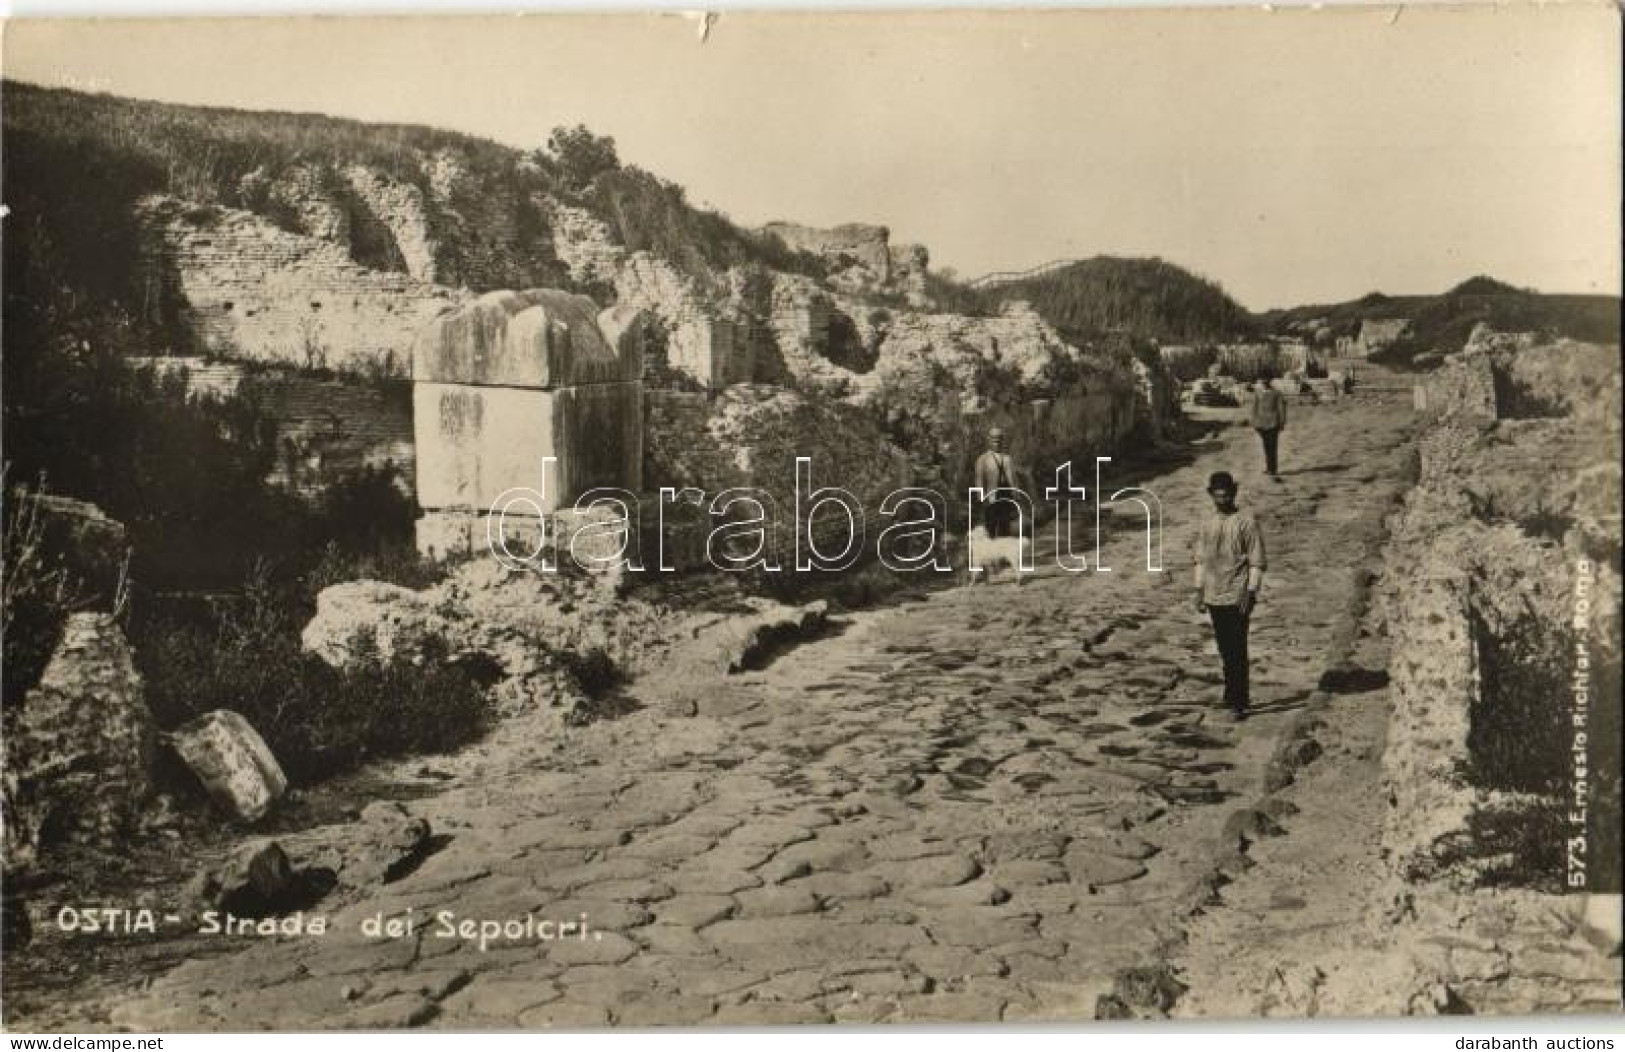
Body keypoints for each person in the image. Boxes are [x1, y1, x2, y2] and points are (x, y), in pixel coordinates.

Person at [1192, 471, 1267, 720]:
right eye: (1217, 495)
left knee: (1238, 647)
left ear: (1233, 493)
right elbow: (1201, 559)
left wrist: (1251, 591)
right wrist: (1198, 590)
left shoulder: (1246, 521)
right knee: (1224, 647)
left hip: (1237, 593)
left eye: (1226, 494)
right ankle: (1229, 692)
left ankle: (1240, 700)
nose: (1222, 499)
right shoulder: (1207, 522)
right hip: (1214, 593)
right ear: (1211, 494)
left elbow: (1256, 560)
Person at [972, 426, 1028, 539]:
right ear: (988, 439)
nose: (996, 441)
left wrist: (1017, 497)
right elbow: (979, 480)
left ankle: (1003, 553)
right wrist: (981, 499)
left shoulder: (1007, 459)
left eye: (999, 438)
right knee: (990, 528)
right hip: (990, 498)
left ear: (1002, 440)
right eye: (993, 438)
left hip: (1006, 497)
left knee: (1005, 528)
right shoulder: (982, 459)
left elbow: (1013, 480)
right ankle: (992, 553)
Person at [1250, 377, 1288, 478]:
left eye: (1266, 381)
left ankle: (1273, 469)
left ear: (1270, 381)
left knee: (1272, 446)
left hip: (1273, 423)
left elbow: (1281, 408)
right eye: (1262, 381)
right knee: (1266, 446)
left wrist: (1282, 422)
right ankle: (1269, 468)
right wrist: (1254, 422)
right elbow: (1254, 408)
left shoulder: (1277, 393)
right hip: (1261, 423)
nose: (1264, 383)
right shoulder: (1258, 393)